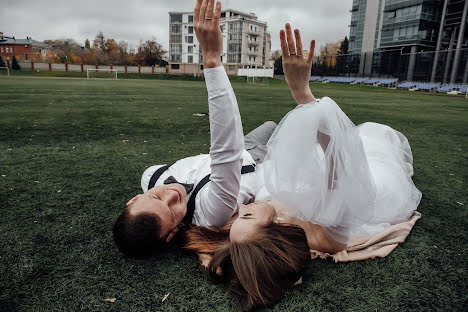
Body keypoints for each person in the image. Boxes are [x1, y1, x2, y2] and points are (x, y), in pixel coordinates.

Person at [180, 1, 422, 310]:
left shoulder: (252, 230)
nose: (242, 210)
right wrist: (303, 95)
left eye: (237, 218)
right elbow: (340, 155)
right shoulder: (327, 232)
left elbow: (225, 244)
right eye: (248, 216)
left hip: (322, 181)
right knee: (371, 135)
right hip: (366, 175)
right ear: (275, 228)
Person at [112, 0, 277, 258]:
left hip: (247, 143)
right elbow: (226, 153)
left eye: (156, 198)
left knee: (272, 124)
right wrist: (212, 60)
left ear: (134, 199)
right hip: (264, 162)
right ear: (171, 234)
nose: (171, 196)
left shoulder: (151, 176)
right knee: (302, 132)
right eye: (172, 211)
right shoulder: (210, 213)